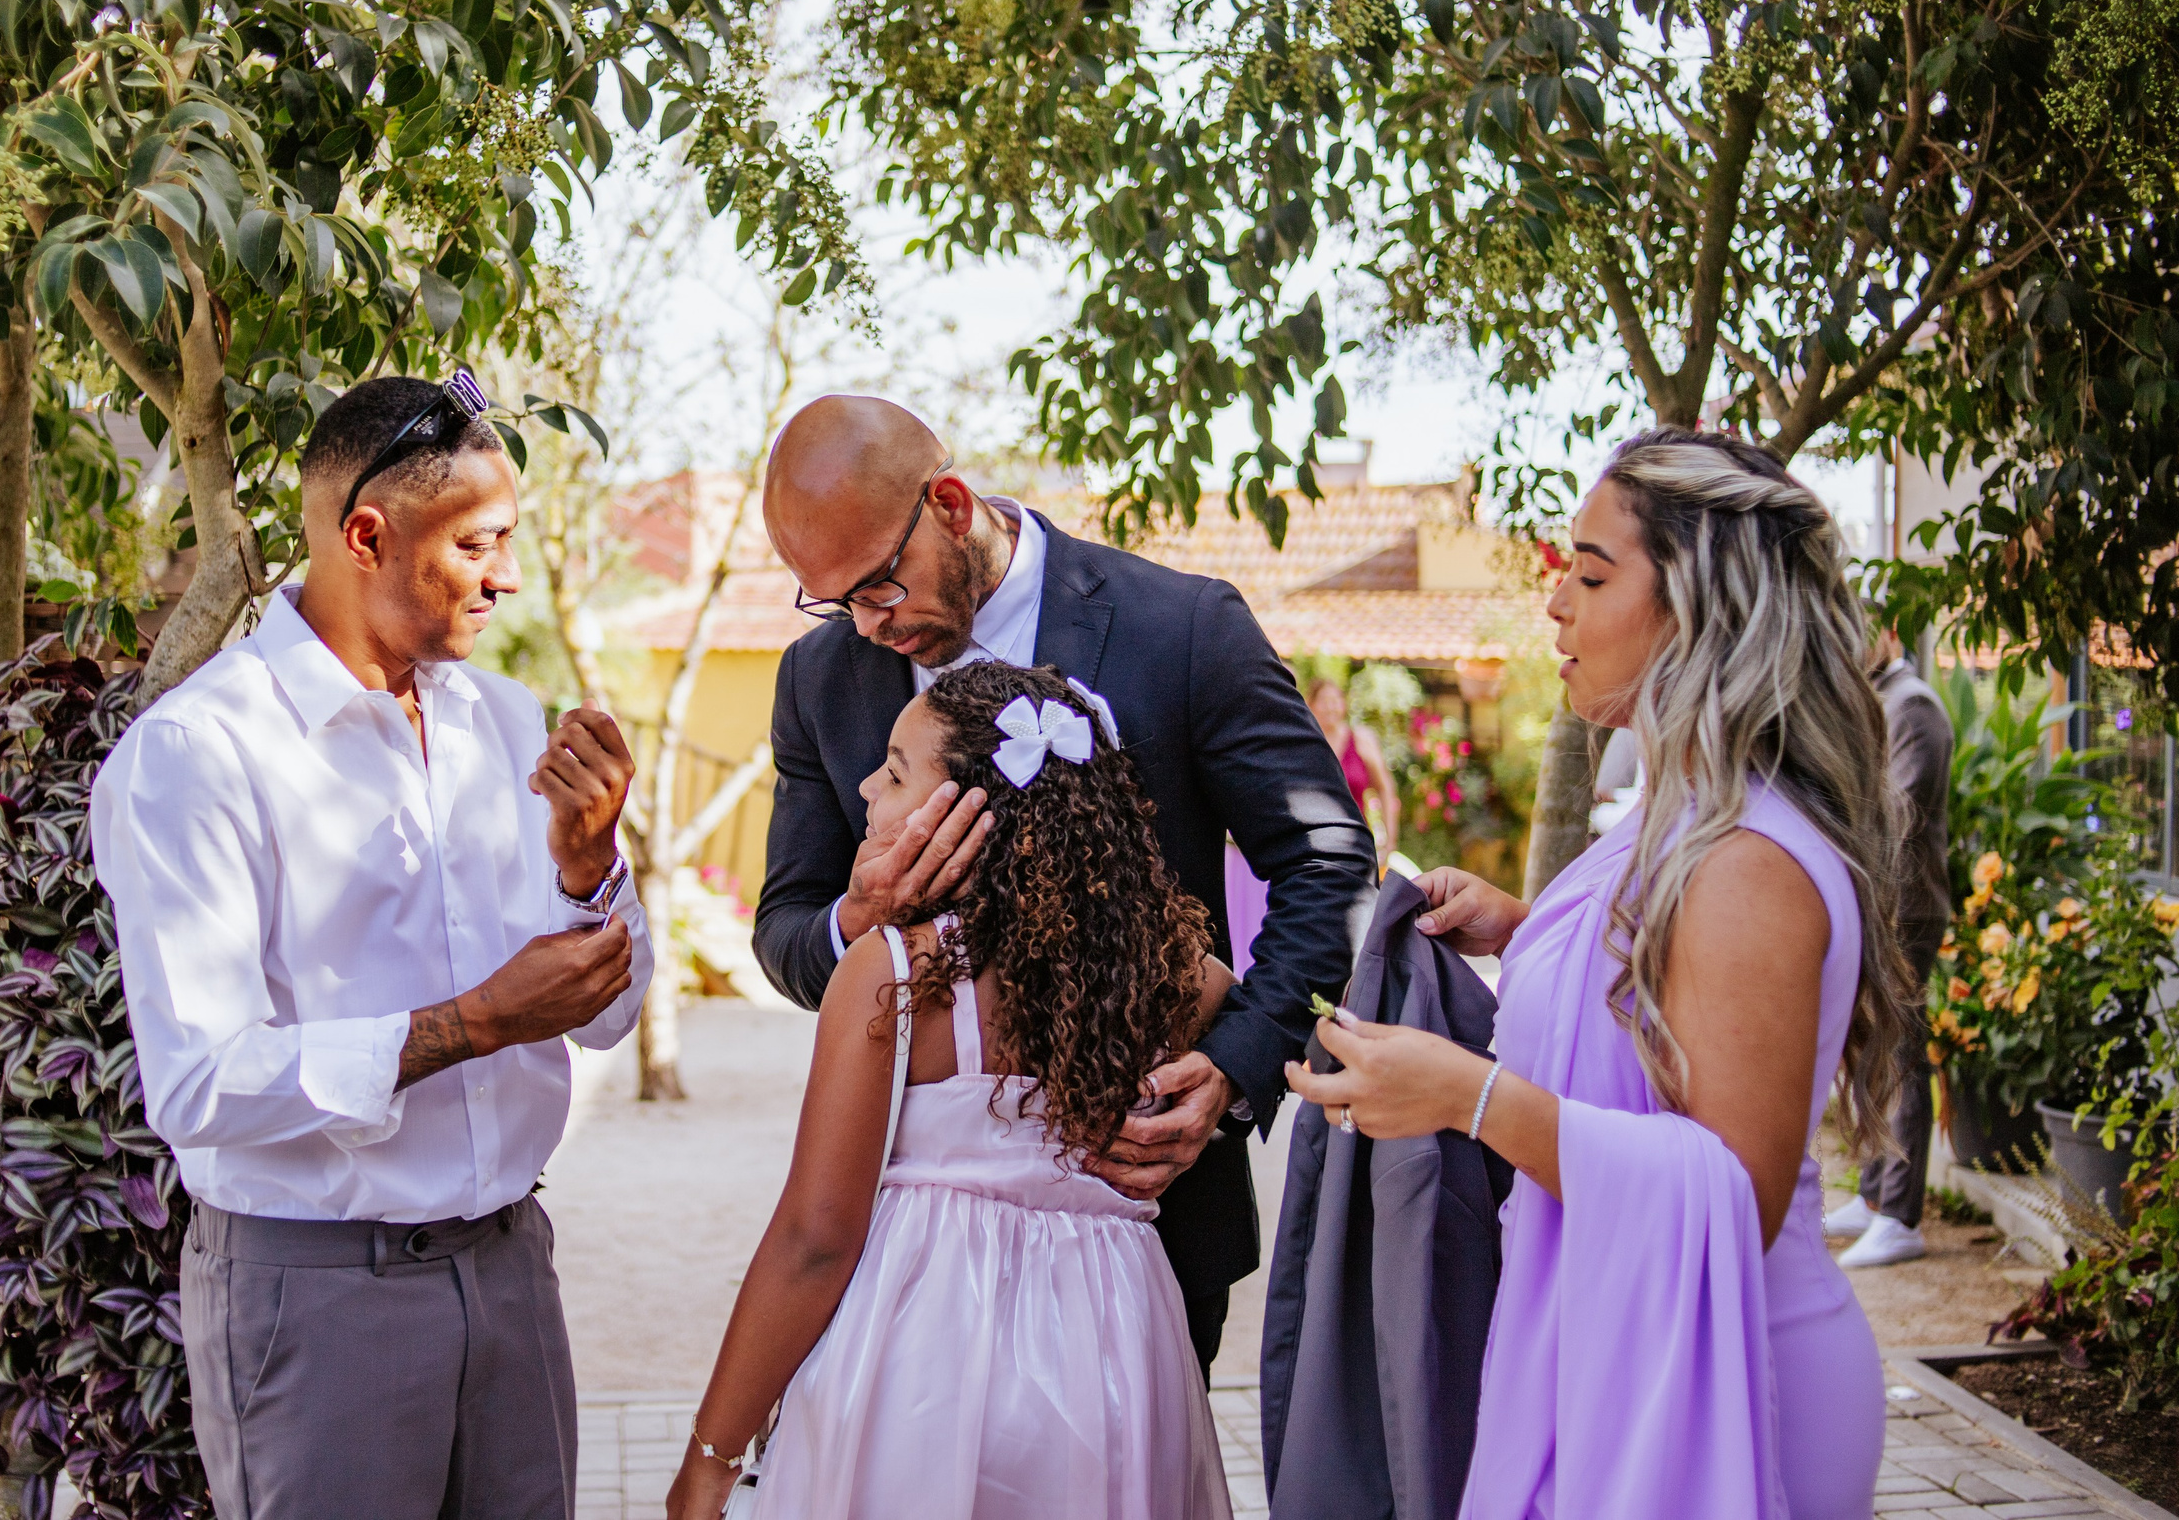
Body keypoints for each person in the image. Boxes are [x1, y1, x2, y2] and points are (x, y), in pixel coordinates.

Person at [1286, 428, 1906, 1519]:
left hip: (1725, 1382)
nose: (1555, 608)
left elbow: (1734, 1192)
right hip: (1613, 1338)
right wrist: (1527, 934)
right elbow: (1665, 1002)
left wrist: (1468, 1099)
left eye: (1587, 574)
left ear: (1697, 606)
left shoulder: (1746, 861)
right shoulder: (1682, 818)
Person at [91, 372, 651, 1520]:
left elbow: (604, 1013)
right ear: (366, 535)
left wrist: (587, 870)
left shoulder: (504, 721)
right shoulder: (200, 754)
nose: (506, 576)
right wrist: (479, 1021)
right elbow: (199, 1085)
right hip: (316, 1293)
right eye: (479, 545)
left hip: (508, 1271)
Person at [754, 396, 1377, 1374]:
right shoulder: (817, 681)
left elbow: (1330, 864)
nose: (868, 626)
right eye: (835, 603)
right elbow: (785, 931)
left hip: (1147, 1216)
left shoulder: (1182, 628)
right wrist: (860, 914)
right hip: (905, 1251)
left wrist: (1233, 1068)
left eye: (879, 584)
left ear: (951, 505)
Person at [671, 662, 1234, 1520]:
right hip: (1116, 1349)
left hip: (926, 1350)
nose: (865, 783)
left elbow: (815, 1238)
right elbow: (1247, 1008)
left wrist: (713, 1453)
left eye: (895, 769)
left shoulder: (898, 974)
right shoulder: (1172, 974)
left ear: (976, 817)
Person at [1824, 634, 1954, 1269]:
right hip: (1880, 906)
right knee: (1875, 1053)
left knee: (1901, 1056)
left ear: (1891, 635)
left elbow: (1898, 817)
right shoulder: (1879, 700)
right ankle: (1876, 1197)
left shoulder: (1914, 706)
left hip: (1907, 909)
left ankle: (1901, 1217)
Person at [1307, 675, 1401, 865]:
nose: (1330, 707)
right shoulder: (1305, 743)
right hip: (1314, 844)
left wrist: (1390, 841)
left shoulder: (1361, 740)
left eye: (1335, 701)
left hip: (1355, 843)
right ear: (1311, 705)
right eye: (1324, 701)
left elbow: (1385, 788)